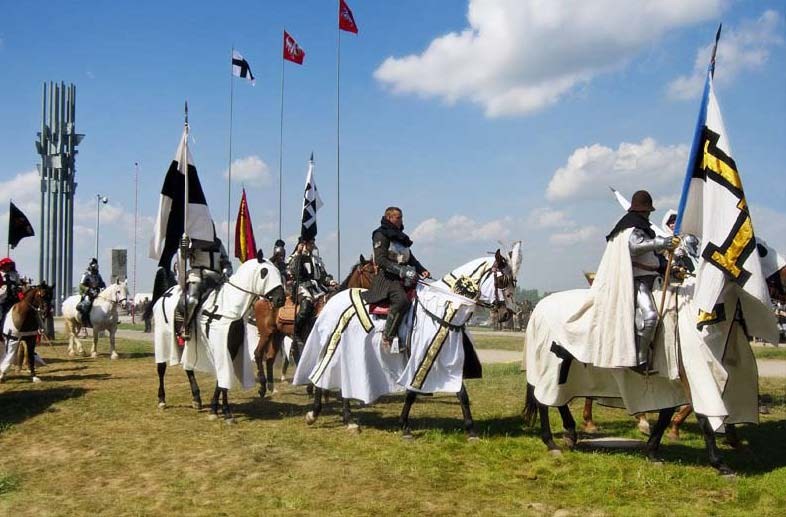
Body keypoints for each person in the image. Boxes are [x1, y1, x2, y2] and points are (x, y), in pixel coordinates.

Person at [606, 191, 679, 372]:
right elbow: (635, 247)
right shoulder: (631, 228)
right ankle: (639, 360)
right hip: (637, 280)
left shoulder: (641, 228)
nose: (648, 215)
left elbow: (653, 257)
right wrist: (661, 243)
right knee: (650, 317)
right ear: (642, 211)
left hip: (654, 279)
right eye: (647, 212)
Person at [363, 207, 430, 349]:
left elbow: (410, 258)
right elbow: (380, 260)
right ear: (389, 218)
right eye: (398, 217)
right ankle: (388, 336)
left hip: (404, 277)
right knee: (401, 301)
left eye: (401, 217)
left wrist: (421, 269)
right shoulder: (380, 234)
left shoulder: (401, 236)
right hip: (387, 278)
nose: (401, 220)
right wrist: (401, 271)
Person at [181, 235, 232, 339]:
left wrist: (226, 271)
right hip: (197, 276)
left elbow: (226, 261)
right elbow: (184, 256)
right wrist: (184, 247)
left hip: (217, 278)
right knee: (192, 301)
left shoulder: (218, 242)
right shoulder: (193, 240)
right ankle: (186, 326)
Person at [287, 237, 335, 344]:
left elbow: (323, 276)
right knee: (306, 305)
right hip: (301, 287)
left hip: (317, 287)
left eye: (313, 243)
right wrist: (299, 254)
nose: (313, 245)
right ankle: (296, 332)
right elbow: (293, 271)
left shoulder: (317, 259)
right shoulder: (295, 257)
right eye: (311, 243)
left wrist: (331, 282)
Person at [78, 258, 106, 326]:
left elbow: (102, 283)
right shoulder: (86, 274)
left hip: (97, 293)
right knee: (87, 304)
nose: (96, 267)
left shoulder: (98, 275)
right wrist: (88, 289)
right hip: (88, 294)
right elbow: (81, 285)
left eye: (96, 265)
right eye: (94, 265)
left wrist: (103, 287)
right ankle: (84, 321)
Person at [0, 258, 21, 339]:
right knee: (1, 316)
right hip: (2, 298)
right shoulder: (0, 274)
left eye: (9, 265)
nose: (8, 267)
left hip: (13, 298)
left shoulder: (14, 274)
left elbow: (18, 284)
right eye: (6, 265)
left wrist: (18, 288)